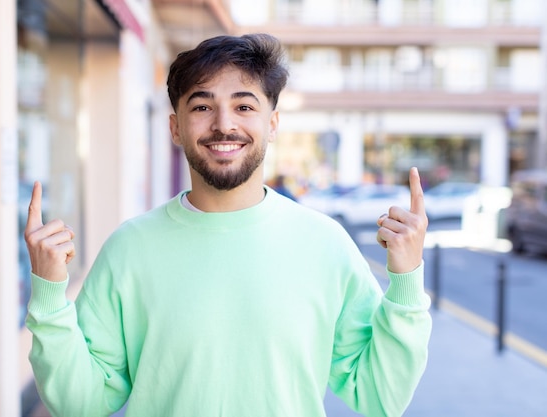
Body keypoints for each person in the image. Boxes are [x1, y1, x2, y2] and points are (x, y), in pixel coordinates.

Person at [25, 33, 431, 417]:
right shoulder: (130, 247)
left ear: (272, 124)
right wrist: (48, 295)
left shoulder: (325, 244)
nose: (224, 124)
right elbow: (80, 402)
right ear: (175, 128)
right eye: (202, 106)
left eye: (244, 106)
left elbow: (381, 395)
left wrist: (407, 281)